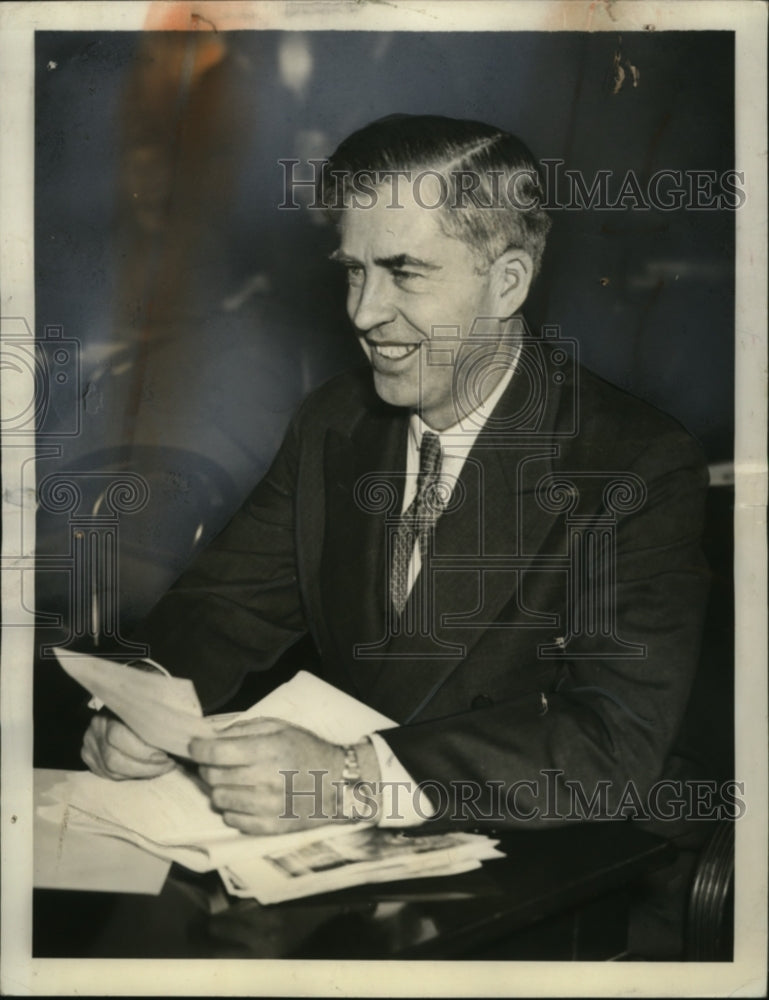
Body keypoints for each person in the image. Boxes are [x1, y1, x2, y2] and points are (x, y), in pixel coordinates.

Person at [81, 114, 710, 836]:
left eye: (403, 273)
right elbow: (228, 604)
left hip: (552, 859)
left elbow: (611, 746)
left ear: (506, 282)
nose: (363, 312)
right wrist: (145, 702)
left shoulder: (634, 463)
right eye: (353, 270)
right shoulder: (335, 421)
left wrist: (347, 778)